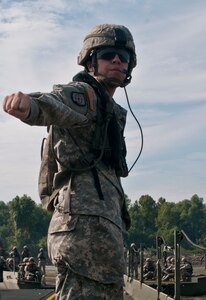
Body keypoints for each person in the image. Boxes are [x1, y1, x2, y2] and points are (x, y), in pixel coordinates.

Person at [3, 23, 137, 299]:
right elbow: (55, 103)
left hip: (102, 241)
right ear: (90, 61)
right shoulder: (83, 96)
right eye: (108, 54)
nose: (117, 60)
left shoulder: (110, 111)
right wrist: (30, 105)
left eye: (123, 57)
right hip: (82, 239)